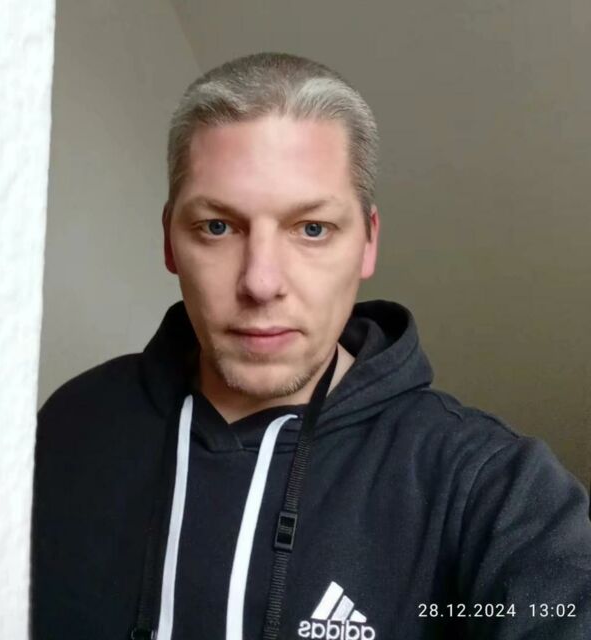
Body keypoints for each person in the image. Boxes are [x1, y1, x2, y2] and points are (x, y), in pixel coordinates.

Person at [31, 52, 591, 640]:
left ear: (368, 243)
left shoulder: (490, 486)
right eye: (218, 227)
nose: (261, 282)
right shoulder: (72, 425)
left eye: (312, 229)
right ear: (170, 241)